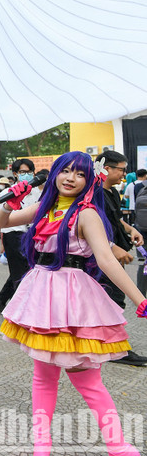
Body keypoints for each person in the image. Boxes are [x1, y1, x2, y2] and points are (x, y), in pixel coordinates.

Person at [0, 151, 147, 456]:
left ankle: (118, 445)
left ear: (89, 180)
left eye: (80, 174)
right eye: (66, 171)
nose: (70, 178)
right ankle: (42, 447)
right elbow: (3, 222)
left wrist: (140, 299)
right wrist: (9, 201)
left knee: (88, 381)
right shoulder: (45, 207)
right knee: (43, 378)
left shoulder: (87, 214)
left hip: (73, 299)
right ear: (55, 174)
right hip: (42, 296)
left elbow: (106, 260)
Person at [95, 150, 147, 367]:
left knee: (112, 300)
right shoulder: (93, 194)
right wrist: (111, 247)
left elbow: (116, 220)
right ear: (107, 169)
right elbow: (92, 226)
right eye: (121, 170)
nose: (124, 174)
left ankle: (109, 344)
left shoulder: (113, 193)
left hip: (114, 254)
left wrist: (131, 229)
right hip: (101, 257)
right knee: (112, 299)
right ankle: (116, 348)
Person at [0, 159, 42, 312]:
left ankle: (0, 299)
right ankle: (20, 309)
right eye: (22, 172)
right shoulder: (7, 194)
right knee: (19, 273)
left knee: (29, 271)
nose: (26, 175)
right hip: (12, 235)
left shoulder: (38, 193)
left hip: (31, 235)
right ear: (15, 174)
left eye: (29, 172)